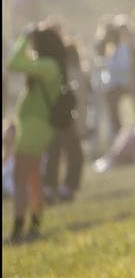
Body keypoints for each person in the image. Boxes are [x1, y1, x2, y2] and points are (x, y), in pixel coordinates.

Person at [6, 26, 67, 243]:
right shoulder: (47, 65)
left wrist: (23, 38)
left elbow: (13, 63)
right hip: (33, 127)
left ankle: (18, 229)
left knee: (20, 178)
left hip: (35, 129)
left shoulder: (49, 66)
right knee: (32, 179)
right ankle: (33, 226)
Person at [42, 41, 84, 202]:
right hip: (63, 118)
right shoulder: (68, 72)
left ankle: (50, 188)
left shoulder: (51, 69)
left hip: (56, 118)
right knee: (71, 153)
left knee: (55, 153)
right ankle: (62, 188)